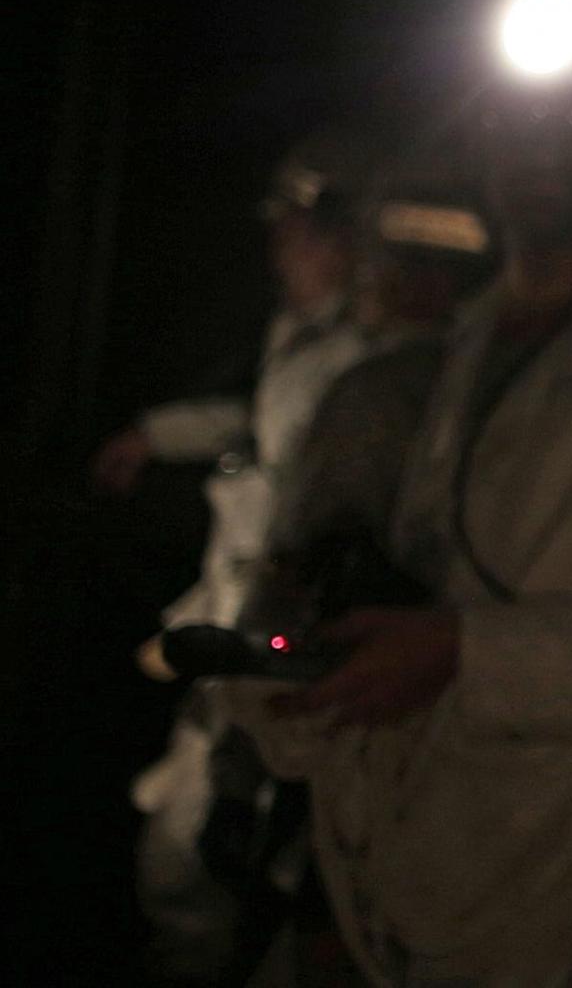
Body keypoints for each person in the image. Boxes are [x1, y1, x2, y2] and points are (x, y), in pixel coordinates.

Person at [235, 69, 572, 988]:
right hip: (385, 864)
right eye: (515, 119)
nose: (540, 146)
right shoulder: (465, 343)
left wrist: (466, 653)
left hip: (543, 895)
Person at [119, 131, 379, 983]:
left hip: (284, 646)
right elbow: (256, 427)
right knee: (193, 846)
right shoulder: (301, 339)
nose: (281, 250)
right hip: (239, 629)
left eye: (296, 231)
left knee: (220, 858)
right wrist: (153, 436)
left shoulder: (368, 362)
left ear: (336, 237)